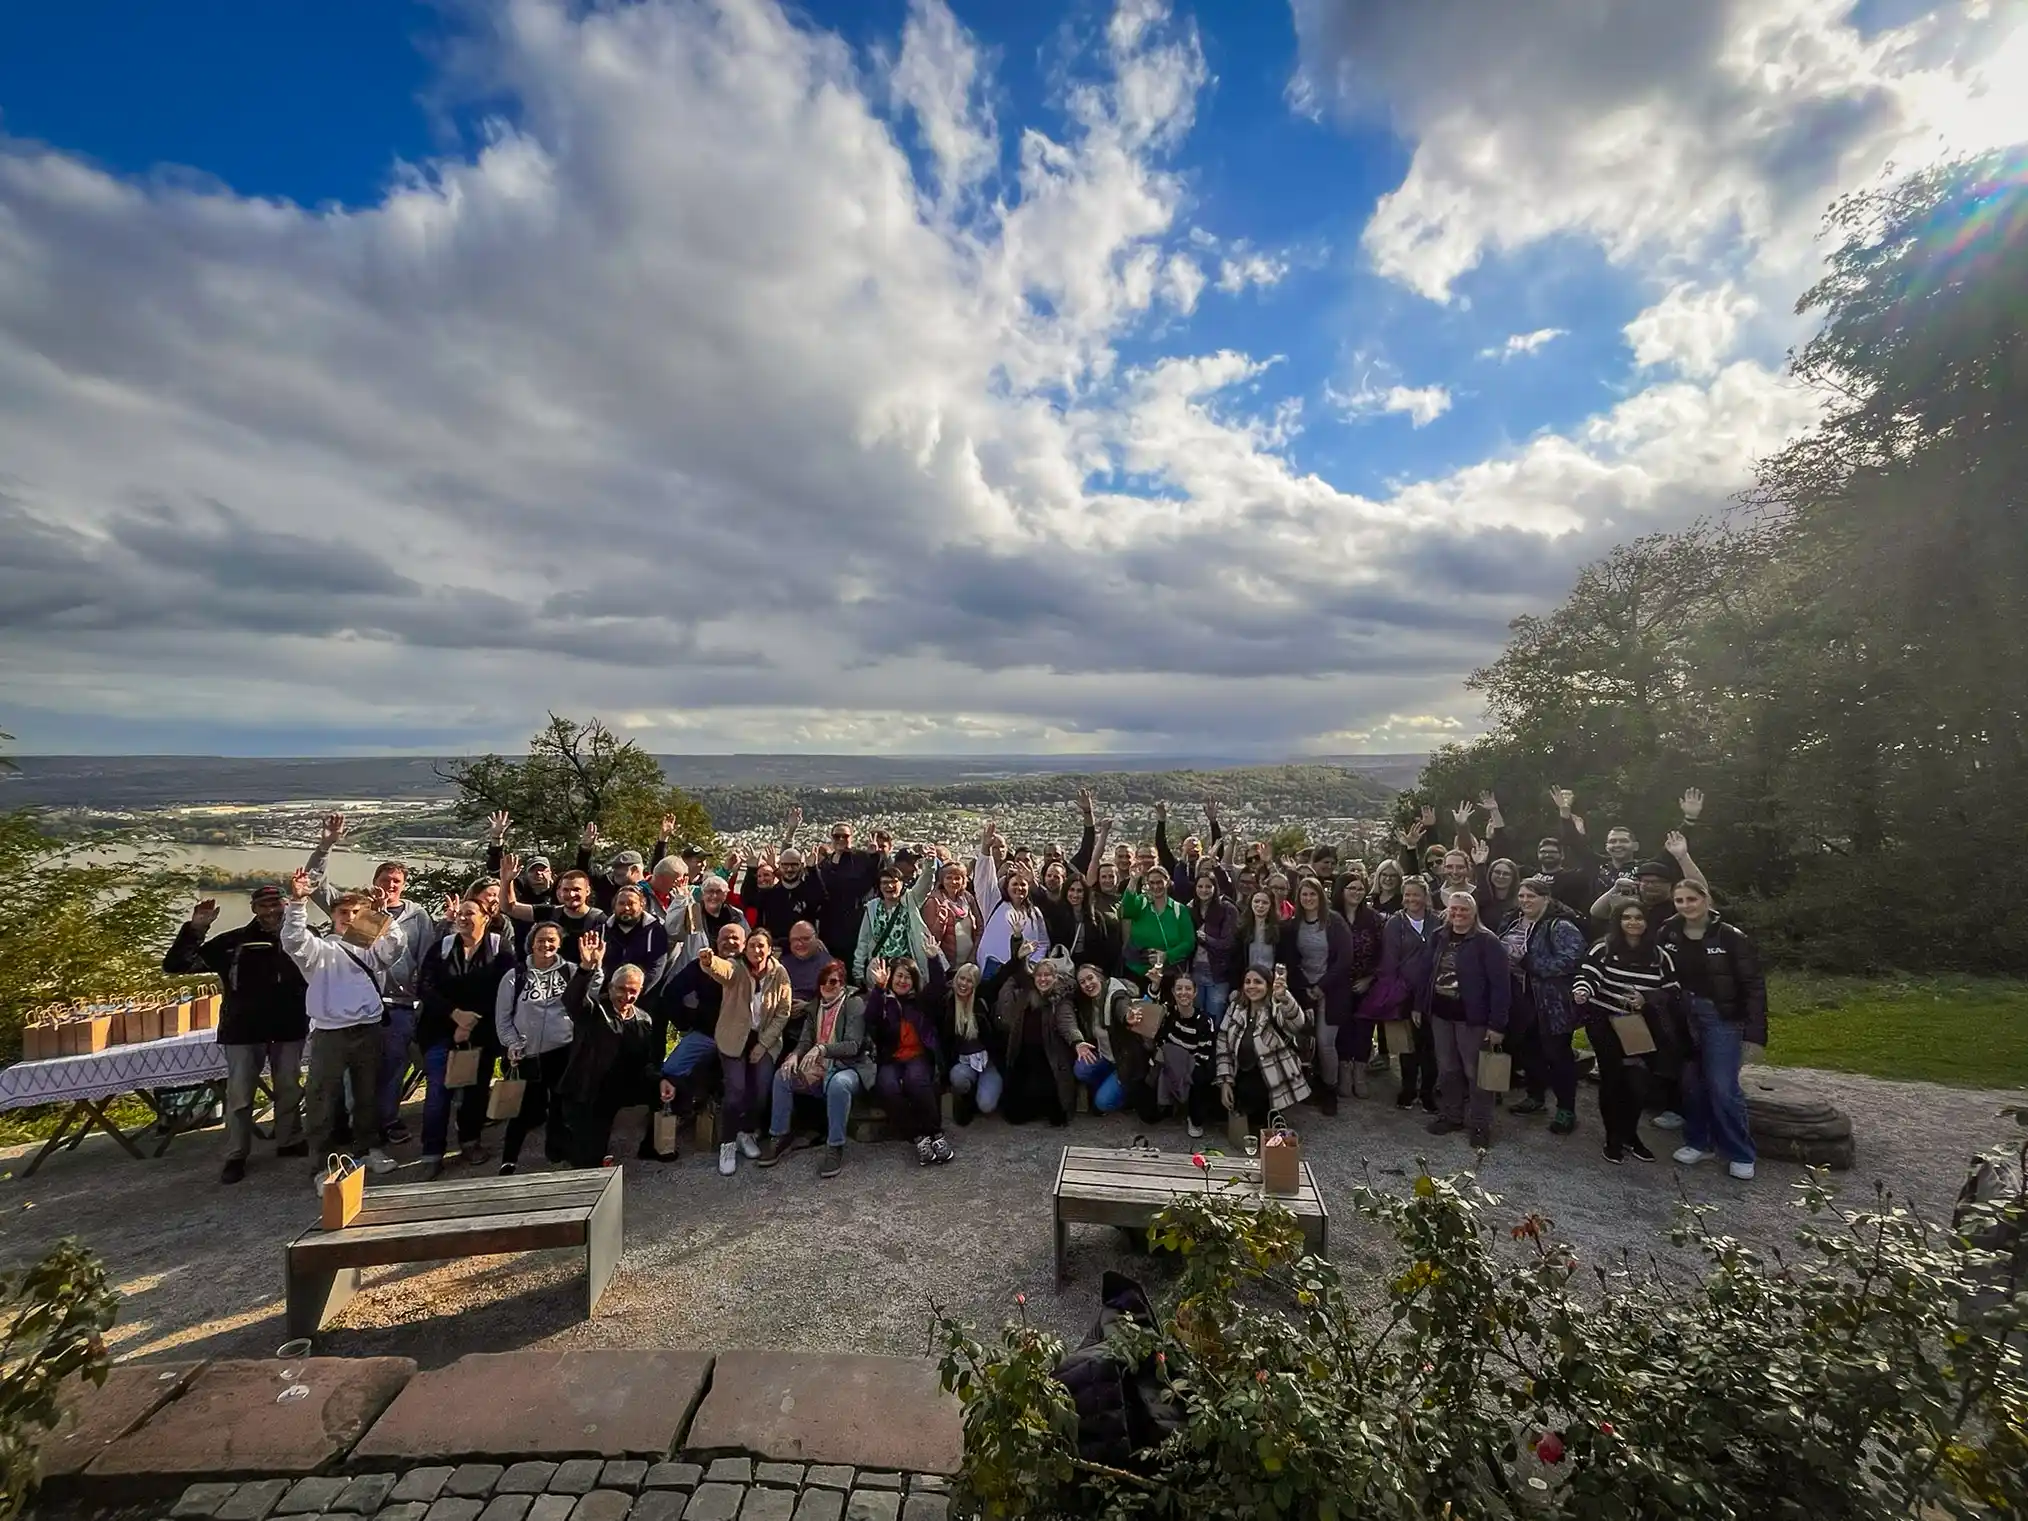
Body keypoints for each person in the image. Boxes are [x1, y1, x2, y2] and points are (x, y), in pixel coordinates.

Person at [163, 885, 308, 1183]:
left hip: (290, 1026)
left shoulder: (303, 938)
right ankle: (236, 1155)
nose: (271, 911)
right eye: (263, 905)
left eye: (276, 904)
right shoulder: (232, 942)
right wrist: (196, 929)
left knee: (289, 1089)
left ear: (286, 905)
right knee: (240, 1097)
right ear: (253, 909)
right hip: (243, 1029)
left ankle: (289, 1140)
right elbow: (177, 965)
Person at [304, 814, 434, 1148]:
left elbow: (426, 959)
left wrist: (422, 1001)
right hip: (355, 1007)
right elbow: (315, 885)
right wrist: (326, 845)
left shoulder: (417, 916)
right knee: (353, 1074)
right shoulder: (354, 909)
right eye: (385, 879)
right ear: (374, 880)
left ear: (404, 885)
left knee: (392, 1067)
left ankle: (386, 1121)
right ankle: (353, 1127)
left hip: (399, 1005)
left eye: (397, 880)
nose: (391, 884)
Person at [278, 867, 401, 1175]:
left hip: (368, 1027)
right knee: (321, 1097)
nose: (349, 917)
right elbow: (293, 940)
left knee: (366, 1095)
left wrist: (383, 915)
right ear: (333, 916)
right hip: (330, 1032)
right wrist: (298, 902)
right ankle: (322, 1164)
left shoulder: (368, 947)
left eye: (356, 913)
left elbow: (395, 948)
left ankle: (368, 1149)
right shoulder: (319, 949)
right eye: (343, 912)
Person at [1656, 879, 1765, 1180]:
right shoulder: (1668, 932)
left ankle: (1740, 1152)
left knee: (1722, 1085)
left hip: (1721, 1016)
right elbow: (1656, 970)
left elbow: (1754, 986)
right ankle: (1698, 1142)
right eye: (1679, 900)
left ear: (1705, 899)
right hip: (1683, 1014)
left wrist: (1755, 1034)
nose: (1686, 906)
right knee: (1692, 1082)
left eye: (1691, 899)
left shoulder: (1730, 936)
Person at [1573, 901, 1679, 1164]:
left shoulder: (1659, 956)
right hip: (1605, 1021)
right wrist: (1583, 990)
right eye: (1627, 917)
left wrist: (1646, 998)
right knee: (1613, 1078)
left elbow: (1672, 990)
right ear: (1618, 921)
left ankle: (1631, 1135)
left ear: (1647, 922)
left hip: (1641, 1025)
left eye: (1638, 918)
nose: (1633, 922)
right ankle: (1613, 1137)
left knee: (1638, 1082)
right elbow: (1588, 974)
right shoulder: (1604, 947)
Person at [415, 898, 513, 1177]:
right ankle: (432, 1152)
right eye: (460, 913)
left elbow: (504, 988)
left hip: (481, 1032)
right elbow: (425, 987)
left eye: (470, 913)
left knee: (476, 1090)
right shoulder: (442, 948)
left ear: (485, 917)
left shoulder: (500, 947)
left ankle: (470, 1142)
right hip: (439, 1030)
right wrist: (455, 1015)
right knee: (438, 1092)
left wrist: (470, 1023)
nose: (463, 918)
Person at [1407, 892, 1511, 1149]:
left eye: (1464, 909)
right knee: (1447, 1068)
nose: (1458, 914)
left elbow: (1501, 987)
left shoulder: (1488, 942)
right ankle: (1452, 1115)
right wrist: (1419, 1005)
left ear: (1474, 913)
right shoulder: (1438, 936)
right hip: (1441, 1013)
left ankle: (1480, 1124)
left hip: (1472, 1018)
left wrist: (1497, 1024)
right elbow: (1425, 973)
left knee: (1475, 1073)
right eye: (1454, 909)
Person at [754, 959, 870, 1179]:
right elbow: (805, 1040)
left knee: (838, 1085)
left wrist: (822, 1049)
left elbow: (853, 1046)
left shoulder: (854, 1003)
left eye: (833, 982)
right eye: (823, 982)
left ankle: (835, 1147)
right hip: (821, 1065)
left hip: (850, 1066)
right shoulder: (815, 1006)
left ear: (842, 983)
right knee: (783, 1075)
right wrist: (794, 1056)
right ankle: (779, 1136)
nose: (827, 986)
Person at [700, 924, 794, 1174]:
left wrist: (763, 1045)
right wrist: (709, 962)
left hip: (764, 1038)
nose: (756, 950)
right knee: (736, 1091)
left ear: (769, 949)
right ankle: (728, 1143)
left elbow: (783, 1013)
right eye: (752, 945)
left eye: (761, 946)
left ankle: (746, 1132)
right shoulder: (737, 967)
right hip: (733, 1037)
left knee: (762, 1088)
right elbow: (722, 970)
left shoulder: (779, 973)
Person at [558, 932, 657, 1168]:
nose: (627, 996)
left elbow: (646, 1059)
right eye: (621, 989)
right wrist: (586, 968)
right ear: (611, 987)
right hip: (590, 1090)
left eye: (633, 991)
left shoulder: (643, 1019)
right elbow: (572, 1000)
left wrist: (662, 1081)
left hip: (622, 1087)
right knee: (588, 1155)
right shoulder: (594, 1011)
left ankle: (651, 1147)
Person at [493, 921, 576, 1173]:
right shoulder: (515, 976)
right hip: (527, 1054)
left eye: (551, 940)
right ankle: (509, 1159)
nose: (546, 945)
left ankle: (556, 1152)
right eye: (541, 940)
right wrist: (512, 1043)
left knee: (560, 1105)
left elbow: (589, 997)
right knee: (523, 1109)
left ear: (559, 943)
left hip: (562, 1050)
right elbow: (503, 1019)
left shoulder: (571, 971)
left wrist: (594, 966)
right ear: (531, 943)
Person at [1511, 877, 1588, 1137]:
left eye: (1531, 896)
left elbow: (1572, 960)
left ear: (1546, 898)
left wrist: (1529, 963)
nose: (1525, 901)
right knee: (1528, 1050)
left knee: (1558, 1056)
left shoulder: (1560, 925)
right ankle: (1535, 1096)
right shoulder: (1515, 921)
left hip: (1552, 1003)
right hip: (1521, 999)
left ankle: (1566, 1109)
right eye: (1522, 896)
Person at [1276, 877, 1356, 1114]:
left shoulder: (1335, 922)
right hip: (1303, 990)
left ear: (1321, 897)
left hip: (1332, 990)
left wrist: (1322, 986)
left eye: (1313, 894)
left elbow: (1345, 959)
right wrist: (1306, 987)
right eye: (1304, 894)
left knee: (1325, 1042)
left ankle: (1330, 1089)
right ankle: (1308, 1085)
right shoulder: (1293, 925)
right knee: (1304, 1042)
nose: (1308, 898)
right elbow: (1290, 960)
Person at [866, 957, 954, 1164]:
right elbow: (870, 1018)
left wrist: (933, 959)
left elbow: (939, 987)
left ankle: (936, 1135)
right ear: (891, 978)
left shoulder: (921, 1001)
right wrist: (879, 988)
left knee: (916, 1081)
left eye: (908, 977)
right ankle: (918, 1137)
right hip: (891, 1058)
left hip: (918, 1055)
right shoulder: (883, 1000)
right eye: (899, 976)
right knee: (887, 1086)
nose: (903, 981)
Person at [985, 949, 1080, 1126]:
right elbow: (1013, 976)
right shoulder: (1024, 997)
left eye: (1047, 975)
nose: (1043, 979)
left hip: (1050, 1057)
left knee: (1055, 1114)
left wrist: (1077, 1042)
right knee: (1015, 1115)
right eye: (1039, 975)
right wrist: (1018, 947)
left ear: (1055, 977)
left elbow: (1068, 1023)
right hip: (1024, 1057)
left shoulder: (1061, 1000)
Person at [1214, 966, 1310, 1138]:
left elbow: (1297, 1023)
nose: (1252, 986)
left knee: (1263, 1123)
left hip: (1273, 1077)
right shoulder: (1235, 1008)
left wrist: (1284, 997)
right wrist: (1225, 1081)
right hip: (1242, 1073)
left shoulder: (1276, 1007)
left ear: (1268, 985)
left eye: (1258, 982)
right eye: (1247, 982)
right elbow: (1223, 1043)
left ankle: (1274, 1115)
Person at [1377, 877, 1441, 1111]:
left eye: (1416, 894)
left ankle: (1428, 1092)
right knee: (1407, 1045)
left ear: (1425, 896)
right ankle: (1408, 1089)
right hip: (1404, 993)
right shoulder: (1395, 923)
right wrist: (1395, 994)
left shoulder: (1437, 921)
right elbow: (1389, 961)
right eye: (1407, 895)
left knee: (1430, 1045)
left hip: (1433, 993)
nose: (1411, 899)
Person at [1328, 875, 1386, 1096]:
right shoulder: (1331, 917)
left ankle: (1359, 1073)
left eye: (1360, 888)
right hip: (1337, 983)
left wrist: (1369, 978)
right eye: (1351, 888)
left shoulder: (1373, 918)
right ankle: (1344, 1072)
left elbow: (1383, 952)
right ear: (1341, 890)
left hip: (1366, 983)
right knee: (1343, 1028)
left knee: (1364, 1028)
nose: (1356, 892)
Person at [500, 855, 609, 963]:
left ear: (587, 891)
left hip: (586, 972)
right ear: (560, 892)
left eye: (576, 890)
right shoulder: (550, 913)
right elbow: (509, 908)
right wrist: (507, 881)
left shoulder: (599, 919)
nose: (571, 894)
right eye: (566, 890)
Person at [1156, 973, 1219, 1138]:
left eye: (1188, 989)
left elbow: (1204, 1054)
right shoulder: (1168, 1013)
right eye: (1179, 988)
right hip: (1169, 1062)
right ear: (1173, 991)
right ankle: (1167, 1104)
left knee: (1198, 1077)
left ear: (1195, 992)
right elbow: (1160, 1038)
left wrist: (1183, 1072)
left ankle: (1194, 1117)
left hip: (1193, 1065)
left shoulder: (1205, 1021)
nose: (1183, 993)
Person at [941, 961, 1002, 1124]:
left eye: (969, 981)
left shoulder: (981, 1002)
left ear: (975, 985)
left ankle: (981, 1092)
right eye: (961, 978)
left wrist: (1017, 956)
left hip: (987, 1062)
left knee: (986, 1105)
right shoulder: (947, 1002)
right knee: (958, 1078)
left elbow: (999, 979)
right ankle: (964, 1099)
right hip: (964, 1062)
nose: (964, 984)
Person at [1116, 866, 1195, 990]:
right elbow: (1126, 909)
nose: (1156, 886)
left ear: (1167, 882)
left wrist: (1166, 956)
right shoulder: (1142, 903)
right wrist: (1133, 880)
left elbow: (1188, 942)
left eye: (1159, 882)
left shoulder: (1179, 910)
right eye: (1151, 883)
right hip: (1138, 972)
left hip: (1167, 975)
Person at [853, 865, 932, 984]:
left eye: (894, 882)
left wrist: (930, 865)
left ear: (902, 884)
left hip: (906, 967)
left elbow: (925, 884)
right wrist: (858, 969)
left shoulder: (910, 900)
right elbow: (863, 940)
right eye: (885, 883)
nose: (890, 886)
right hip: (881, 968)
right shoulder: (872, 907)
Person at [1186, 867, 1238, 1027]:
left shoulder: (1227, 909)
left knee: (1214, 1019)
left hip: (1218, 974)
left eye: (1208, 886)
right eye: (1200, 886)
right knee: (1196, 1018)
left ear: (1215, 888)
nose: (1204, 890)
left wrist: (1206, 939)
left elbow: (1228, 943)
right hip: (1195, 972)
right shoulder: (1191, 909)